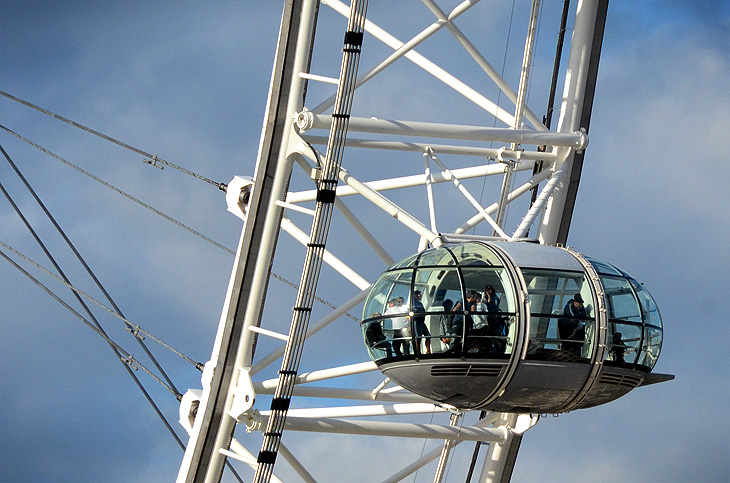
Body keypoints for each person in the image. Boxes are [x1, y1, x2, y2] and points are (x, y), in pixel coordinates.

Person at [411, 290, 431, 355]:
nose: (420, 297)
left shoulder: (420, 304)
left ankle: (428, 351)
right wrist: (419, 312)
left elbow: (423, 311)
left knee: (428, 335)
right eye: (419, 295)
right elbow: (414, 311)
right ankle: (417, 351)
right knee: (418, 337)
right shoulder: (413, 303)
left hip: (422, 321)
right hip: (416, 321)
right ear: (415, 296)